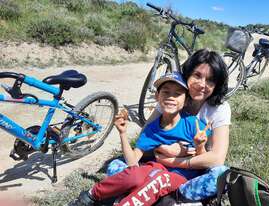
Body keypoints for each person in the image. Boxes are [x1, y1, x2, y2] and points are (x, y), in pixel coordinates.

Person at [108, 48, 231, 203]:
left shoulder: (219, 109)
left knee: (221, 174)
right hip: (158, 166)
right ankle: (161, 195)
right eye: (197, 75)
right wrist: (163, 149)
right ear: (187, 74)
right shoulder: (171, 98)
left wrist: (174, 159)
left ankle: (170, 196)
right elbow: (146, 138)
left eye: (210, 80)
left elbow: (216, 158)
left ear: (216, 85)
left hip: (193, 171)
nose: (202, 85)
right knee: (116, 165)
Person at [70, 72, 211, 206]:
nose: (171, 97)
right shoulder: (152, 129)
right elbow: (132, 162)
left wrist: (200, 145)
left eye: (177, 94)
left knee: (159, 180)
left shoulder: (193, 124)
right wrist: (123, 133)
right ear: (157, 96)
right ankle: (90, 195)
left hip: (181, 176)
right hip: (157, 169)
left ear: (185, 100)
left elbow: (204, 162)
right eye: (166, 92)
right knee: (135, 175)